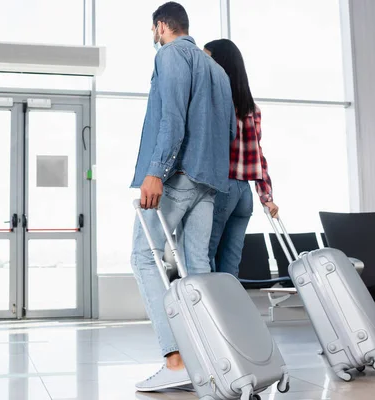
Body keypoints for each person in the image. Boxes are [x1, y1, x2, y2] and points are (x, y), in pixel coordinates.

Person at [130, 2, 236, 392]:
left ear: (162, 26)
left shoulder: (171, 55)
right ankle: (210, 357)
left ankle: (175, 359)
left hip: (178, 177)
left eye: (154, 31)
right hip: (210, 181)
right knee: (198, 268)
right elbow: (230, 133)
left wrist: (155, 172)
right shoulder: (218, 70)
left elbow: (172, 119)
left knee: (143, 256)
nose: (154, 38)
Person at [203, 39, 279, 276]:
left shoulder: (217, 105)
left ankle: (206, 312)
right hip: (244, 195)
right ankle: (228, 311)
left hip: (222, 189)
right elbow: (258, 155)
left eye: (208, 59)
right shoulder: (251, 108)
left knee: (204, 255)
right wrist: (266, 196)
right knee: (231, 262)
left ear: (219, 64)